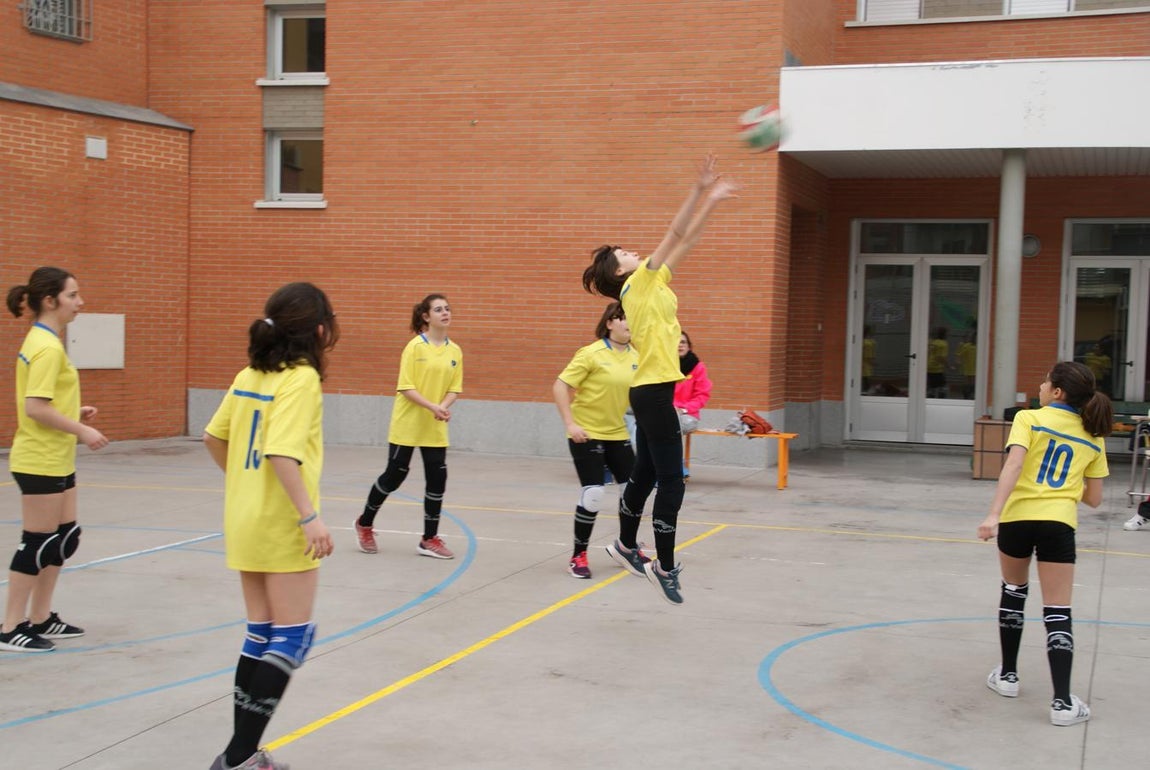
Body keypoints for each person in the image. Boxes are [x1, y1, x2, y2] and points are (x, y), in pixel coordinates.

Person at [581, 153, 738, 604]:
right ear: (618, 271)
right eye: (624, 253)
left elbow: (687, 239)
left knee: (647, 475)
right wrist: (699, 187)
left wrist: (714, 201)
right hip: (651, 393)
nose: (634, 251)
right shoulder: (639, 282)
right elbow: (674, 233)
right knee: (672, 481)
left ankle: (626, 545)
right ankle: (665, 566)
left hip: (654, 391)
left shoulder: (651, 283)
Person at [203, 282, 338, 770]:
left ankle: (243, 753)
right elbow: (282, 452)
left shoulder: (249, 374)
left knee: (260, 635)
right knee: (290, 637)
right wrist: (309, 516)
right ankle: (239, 757)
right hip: (282, 523)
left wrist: (246, 486)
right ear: (319, 331)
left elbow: (213, 436)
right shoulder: (300, 379)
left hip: (244, 520)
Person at [977, 361, 1111, 727]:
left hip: (1018, 519)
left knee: (1013, 591)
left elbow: (1013, 467)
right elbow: (1095, 499)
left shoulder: (1029, 419)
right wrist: (1065, 485)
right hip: (1058, 524)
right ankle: (1063, 703)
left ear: (1057, 392)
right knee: (1057, 611)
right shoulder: (1093, 436)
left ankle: (1007, 677)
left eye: (1046, 380)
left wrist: (993, 515)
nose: (1040, 384)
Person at [0, 267, 109, 653]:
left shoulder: (48, 342)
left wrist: (72, 413)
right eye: (73, 295)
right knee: (37, 544)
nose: (80, 303)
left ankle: (41, 617)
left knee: (64, 539)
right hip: (39, 459)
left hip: (56, 456)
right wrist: (82, 431)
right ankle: (10, 626)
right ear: (51, 301)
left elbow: (46, 403)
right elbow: (34, 408)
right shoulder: (46, 347)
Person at [355, 294, 463, 559]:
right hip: (408, 423)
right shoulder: (415, 347)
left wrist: (444, 405)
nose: (445, 313)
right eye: (439, 310)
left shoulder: (455, 351)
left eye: (447, 309)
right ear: (426, 317)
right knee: (395, 474)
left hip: (435, 426)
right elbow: (406, 387)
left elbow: (454, 388)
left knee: (438, 478)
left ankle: (429, 539)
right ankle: (365, 523)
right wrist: (432, 406)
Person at [552, 301, 639, 579]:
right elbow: (560, 385)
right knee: (594, 493)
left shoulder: (637, 356)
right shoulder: (590, 354)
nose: (628, 323)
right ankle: (578, 555)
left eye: (632, 318)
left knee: (633, 492)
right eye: (623, 318)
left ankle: (626, 547)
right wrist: (570, 423)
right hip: (585, 432)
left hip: (617, 433)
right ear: (610, 322)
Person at [674, 330, 712, 478]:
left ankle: (676, 464)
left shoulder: (698, 367)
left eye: (683, 342)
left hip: (688, 415)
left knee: (672, 427)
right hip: (667, 412)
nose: (679, 345)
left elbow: (702, 395)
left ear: (689, 346)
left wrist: (683, 409)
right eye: (676, 342)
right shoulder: (666, 367)